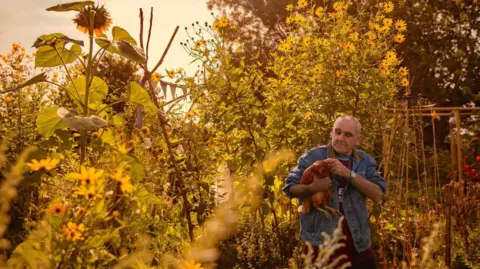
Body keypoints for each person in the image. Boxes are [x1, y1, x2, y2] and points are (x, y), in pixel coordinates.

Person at [283, 115, 387, 269]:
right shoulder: (313, 157)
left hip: (357, 246)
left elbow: (378, 194)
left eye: (348, 134)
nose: (340, 138)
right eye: (337, 132)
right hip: (320, 247)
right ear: (331, 134)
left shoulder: (365, 161)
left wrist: (348, 174)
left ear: (358, 140)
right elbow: (289, 188)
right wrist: (313, 188)